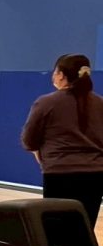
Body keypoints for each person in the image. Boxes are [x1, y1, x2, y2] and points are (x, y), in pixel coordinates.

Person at [22, 54, 103, 226]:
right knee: (84, 230)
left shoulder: (46, 102)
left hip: (59, 175)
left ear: (61, 75)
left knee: (56, 231)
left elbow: (29, 140)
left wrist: (40, 154)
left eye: (55, 71)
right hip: (95, 176)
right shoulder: (100, 103)